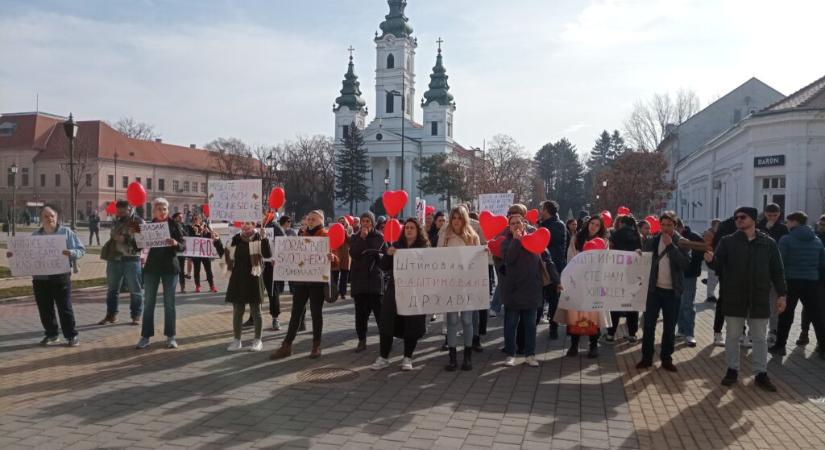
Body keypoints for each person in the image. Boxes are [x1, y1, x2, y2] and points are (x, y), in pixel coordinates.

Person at [705, 206, 786, 391]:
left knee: (759, 338)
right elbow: (719, 266)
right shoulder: (727, 241)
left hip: (759, 297)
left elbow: (778, 271)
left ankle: (761, 373)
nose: (738, 220)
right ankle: (732, 370)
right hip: (734, 297)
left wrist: (782, 295)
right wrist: (711, 260)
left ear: (753, 219)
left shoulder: (768, 243)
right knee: (733, 336)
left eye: (742, 217)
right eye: (736, 218)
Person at [8, 205, 85, 346]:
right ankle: (51, 334)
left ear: (57, 217)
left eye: (52, 216)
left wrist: (72, 253)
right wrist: (13, 255)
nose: (49, 218)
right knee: (45, 308)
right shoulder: (35, 236)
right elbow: (25, 254)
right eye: (46, 216)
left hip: (60, 277)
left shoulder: (66, 232)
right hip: (40, 279)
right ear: (41, 219)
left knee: (65, 308)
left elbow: (81, 249)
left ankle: (71, 335)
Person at [271, 210, 337, 360]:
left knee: (316, 313)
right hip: (301, 281)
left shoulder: (325, 236)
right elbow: (293, 256)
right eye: (309, 219)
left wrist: (332, 258)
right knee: (296, 313)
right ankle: (286, 346)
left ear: (320, 221)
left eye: (314, 219)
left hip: (317, 282)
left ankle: (316, 346)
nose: (310, 221)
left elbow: (334, 259)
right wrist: (280, 261)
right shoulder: (302, 235)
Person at [371, 218, 429, 371]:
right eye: (407, 228)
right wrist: (388, 254)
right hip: (395, 290)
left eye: (412, 228)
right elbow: (383, 267)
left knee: (412, 323)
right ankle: (383, 357)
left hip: (415, 292)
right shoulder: (396, 246)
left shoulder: (424, 248)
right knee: (387, 322)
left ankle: (407, 357)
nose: (408, 230)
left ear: (418, 231)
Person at [636, 212, 690, 372]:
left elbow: (685, 264)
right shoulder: (652, 241)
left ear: (675, 225)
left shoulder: (682, 242)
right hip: (654, 291)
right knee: (649, 325)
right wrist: (639, 256)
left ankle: (666, 358)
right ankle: (646, 357)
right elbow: (644, 262)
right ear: (660, 225)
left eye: (669, 225)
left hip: (672, 292)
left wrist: (670, 247)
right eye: (663, 225)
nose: (666, 228)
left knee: (669, 327)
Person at [501, 214, 554, 367]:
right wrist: (516, 242)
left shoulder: (534, 238)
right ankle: (510, 354)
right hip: (514, 291)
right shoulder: (507, 242)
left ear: (524, 224)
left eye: (519, 222)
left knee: (530, 325)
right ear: (509, 227)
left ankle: (530, 354)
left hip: (532, 289)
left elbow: (546, 260)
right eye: (513, 224)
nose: (516, 225)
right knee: (511, 325)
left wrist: (556, 280)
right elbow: (509, 260)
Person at [769, 211, 825, 358]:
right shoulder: (817, 240)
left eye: (788, 222)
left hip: (791, 281)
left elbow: (780, 262)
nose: (786, 225)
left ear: (794, 222)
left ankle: (780, 346)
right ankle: (823, 348)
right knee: (817, 315)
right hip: (812, 282)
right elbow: (821, 263)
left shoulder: (786, 240)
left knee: (786, 314)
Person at [136, 198, 186, 350]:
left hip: (170, 269)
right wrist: (137, 238)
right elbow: (136, 246)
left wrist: (176, 243)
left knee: (169, 304)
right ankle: (145, 337)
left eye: (165, 209)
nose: (162, 211)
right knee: (149, 303)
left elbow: (183, 246)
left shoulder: (174, 224)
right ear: (154, 210)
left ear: (168, 210)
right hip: (152, 269)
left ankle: (171, 336)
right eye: (159, 209)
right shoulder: (147, 226)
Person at [561, 215, 609, 357]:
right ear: (588, 224)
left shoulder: (604, 242)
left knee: (594, 314)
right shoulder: (576, 239)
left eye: (597, 225)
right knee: (576, 313)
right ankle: (574, 345)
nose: (593, 227)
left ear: (601, 228)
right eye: (592, 223)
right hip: (577, 282)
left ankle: (593, 346)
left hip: (594, 282)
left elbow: (606, 262)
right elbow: (570, 260)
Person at [439, 206, 480, 371]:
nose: (456, 221)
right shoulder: (444, 236)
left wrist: (484, 253)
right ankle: (452, 358)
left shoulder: (473, 236)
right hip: (450, 284)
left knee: (467, 320)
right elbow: (437, 258)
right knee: (452, 321)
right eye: (454, 217)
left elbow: (478, 259)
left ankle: (467, 357)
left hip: (467, 285)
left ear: (464, 219)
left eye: (459, 218)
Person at [225, 221, 271, 352]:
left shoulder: (258, 237)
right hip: (238, 278)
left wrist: (265, 238)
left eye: (249, 223)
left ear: (254, 225)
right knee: (238, 311)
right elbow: (227, 258)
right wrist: (217, 241)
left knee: (256, 310)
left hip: (254, 277)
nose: (245, 226)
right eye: (243, 223)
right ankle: (237, 340)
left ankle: (257, 340)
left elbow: (267, 254)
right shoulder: (236, 239)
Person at [99, 200, 145, 326]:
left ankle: (136, 315)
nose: (119, 214)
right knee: (112, 290)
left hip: (131, 259)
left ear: (130, 209)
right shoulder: (115, 220)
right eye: (118, 211)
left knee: (135, 289)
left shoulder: (136, 222)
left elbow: (140, 243)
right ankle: (111, 315)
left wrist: (125, 239)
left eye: (122, 211)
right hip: (114, 259)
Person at [349, 211, 386, 352]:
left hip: (375, 281)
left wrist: (379, 256)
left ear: (373, 222)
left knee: (379, 313)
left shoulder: (379, 237)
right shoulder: (355, 237)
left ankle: (384, 340)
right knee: (361, 314)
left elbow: (384, 255)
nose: (365, 224)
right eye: (363, 221)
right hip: (360, 281)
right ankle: (362, 340)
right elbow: (354, 253)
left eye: (368, 221)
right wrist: (362, 239)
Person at [606, 215, 642, 342]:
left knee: (615, 303)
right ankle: (632, 334)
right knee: (632, 305)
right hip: (633, 273)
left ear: (621, 223)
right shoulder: (637, 235)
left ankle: (610, 334)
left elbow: (609, 250)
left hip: (617, 273)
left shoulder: (615, 234)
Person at [757, 203, 789, 345]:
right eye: (769, 215)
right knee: (758, 302)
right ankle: (756, 331)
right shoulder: (758, 226)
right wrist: (766, 230)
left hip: (775, 271)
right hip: (759, 270)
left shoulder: (783, 228)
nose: (772, 218)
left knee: (775, 303)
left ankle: (773, 331)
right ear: (765, 214)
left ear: (779, 214)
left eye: (775, 215)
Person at [538, 200, 567, 339]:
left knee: (554, 299)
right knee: (539, 298)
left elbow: (546, 241)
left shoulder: (558, 225)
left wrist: (540, 228)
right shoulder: (544, 225)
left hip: (553, 267)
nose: (540, 211)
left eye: (542, 208)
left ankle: (553, 327)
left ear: (547, 210)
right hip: (541, 266)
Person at [675, 218, 705, 347]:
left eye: (676, 229)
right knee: (677, 304)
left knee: (687, 304)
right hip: (675, 275)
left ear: (680, 227)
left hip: (689, 275)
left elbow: (702, 252)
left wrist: (691, 265)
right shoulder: (669, 237)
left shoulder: (694, 237)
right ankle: (681, 329)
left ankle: (689, 333)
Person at [190, 215, 222, 293]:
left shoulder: (206, 228)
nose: (196, 220)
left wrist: (209, 232)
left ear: (201, 220)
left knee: (208, 270)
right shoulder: (190, 229)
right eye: (194, 219)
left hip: (205, 253)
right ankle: (197, 286)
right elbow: (189, 239)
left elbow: (212, 237)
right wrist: (195, 231)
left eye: (197, 219)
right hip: (196, 253)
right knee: (196, 270)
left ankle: (212, 286)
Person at [331, 216, 352, 301]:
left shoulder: (349, 229)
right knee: (335, 275)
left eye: (343, 221)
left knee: (344, 275)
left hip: (346, 255)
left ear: (346, 222)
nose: (342, 222)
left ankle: (342, 292)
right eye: (340, 221)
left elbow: (351, 241)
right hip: (336, 254)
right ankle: (334, 292)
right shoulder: (334, 229)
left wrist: (345, 232)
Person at [172, 212, 193, 294]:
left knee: (181, 270)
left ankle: (182, 287)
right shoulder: (171, 226)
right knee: (172, 270)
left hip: (181, 251)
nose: (181, 218)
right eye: (179, 217)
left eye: (182, 217)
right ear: (175, 218)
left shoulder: (183, 226)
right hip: (173, 251)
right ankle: (171, 287)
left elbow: (187, 235)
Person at [703, 219, 722, 303]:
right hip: (711, 257)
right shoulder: (709, 234)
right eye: (718, 225)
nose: (720, 227)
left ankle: (710, 293)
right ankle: (710, 296)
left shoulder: (716, 233)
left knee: (714, 277)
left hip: (716, 258)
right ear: (713, 226)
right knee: (713, 277)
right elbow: (708, 246)